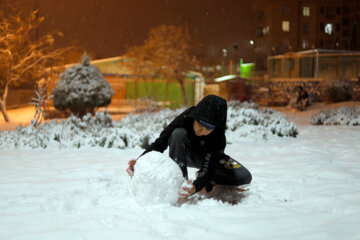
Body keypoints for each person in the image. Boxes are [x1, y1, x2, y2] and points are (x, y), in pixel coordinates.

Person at [127, 94, 252, 201]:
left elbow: (209, 166)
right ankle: (180, 182)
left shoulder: (218, 137)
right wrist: (140, 161)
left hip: (206, 159)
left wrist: (197, 185)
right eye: (199, 123)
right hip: (184, 152)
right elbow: (161, 142)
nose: (201, 129)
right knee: (177, 134)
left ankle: (211, 183)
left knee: (244, 176)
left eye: (208, 127)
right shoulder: (186, 118)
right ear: (194, 117)